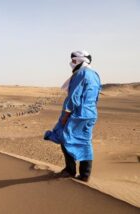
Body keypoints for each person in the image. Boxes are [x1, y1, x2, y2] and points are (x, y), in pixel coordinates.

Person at [44, 50, 101, 182]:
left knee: (64, 137)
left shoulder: (80, 73)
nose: (72, 63)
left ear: (81, 61)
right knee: (85, 142)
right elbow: (96, 95)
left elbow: (73, 97)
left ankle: (70, 170)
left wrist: (65, 116)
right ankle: (85, 174)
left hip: (78, 114)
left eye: (74, 61)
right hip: (90, 113)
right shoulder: (95, 74)